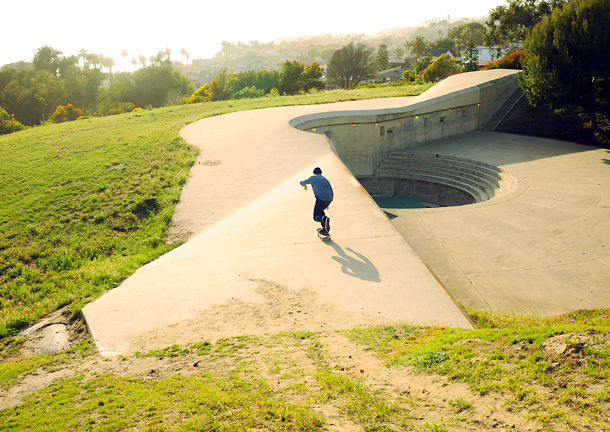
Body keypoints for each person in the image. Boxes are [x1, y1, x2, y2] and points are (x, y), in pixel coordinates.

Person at [300, 167, 333, 234]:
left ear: (314, 173)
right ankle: (325, 229)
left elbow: (301, 182)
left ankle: (324, 219)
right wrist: (328, 203)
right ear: (321, 173)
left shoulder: (312, 178)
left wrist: (305, 186)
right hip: (329, 199)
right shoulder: (325, 179)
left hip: (321, 200)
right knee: (321, 212)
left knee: (316, 217)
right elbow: (331, 191)